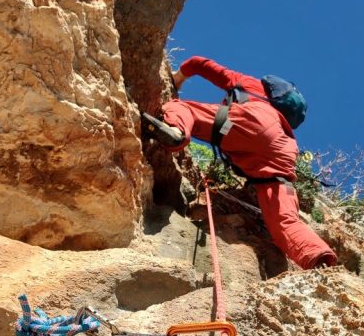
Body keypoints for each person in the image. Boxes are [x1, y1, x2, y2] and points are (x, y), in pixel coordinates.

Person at [142, 55, 337, 270]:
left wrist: (177, 79)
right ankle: (319, 259)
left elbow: (199, 63)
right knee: (286, 221)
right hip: (283, 148)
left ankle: (177, 130)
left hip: (250, 124)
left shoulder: (250, 84)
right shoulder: (282, 118)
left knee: (185, 109)